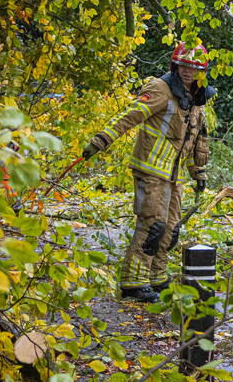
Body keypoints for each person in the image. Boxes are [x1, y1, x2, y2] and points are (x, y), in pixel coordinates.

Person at [83, 43, 215, 303]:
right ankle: (133, 282)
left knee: (171, 230)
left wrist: (197, 172)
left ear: (202, 72)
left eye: (194, 68)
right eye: (184, 66)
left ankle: (157, 277)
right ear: (175, 65)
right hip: (151, 170)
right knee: (152, 226)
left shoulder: (196, 99)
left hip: (173, 176)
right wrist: (100, 141)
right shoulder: (161, 89)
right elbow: (130, 116)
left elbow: (194, 139)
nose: (188, 72)